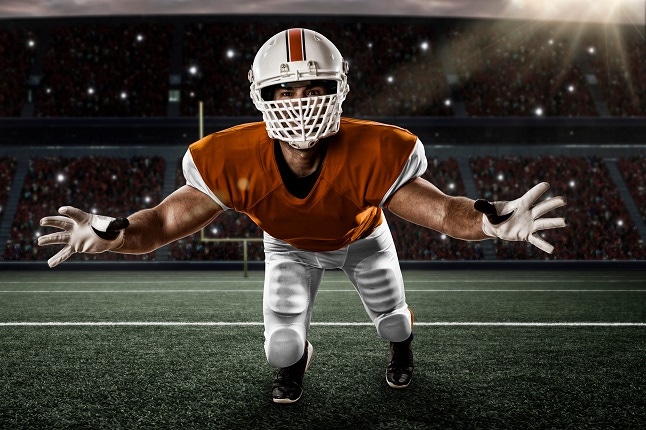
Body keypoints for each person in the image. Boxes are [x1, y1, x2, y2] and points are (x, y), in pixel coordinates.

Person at [38, 28, 567, 404]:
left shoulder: (371, 151)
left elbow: (445, 211)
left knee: (392, 320)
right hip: (287, 245)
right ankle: (294, 370)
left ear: (339, 89)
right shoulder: (235, 159)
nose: (300, 102)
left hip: (363, 238)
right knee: (282, 342)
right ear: (260, 97)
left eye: (314, 87)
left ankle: (401, 352)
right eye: (285, 90)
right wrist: (114, 234)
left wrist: (490, 221)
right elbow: (158, 225)